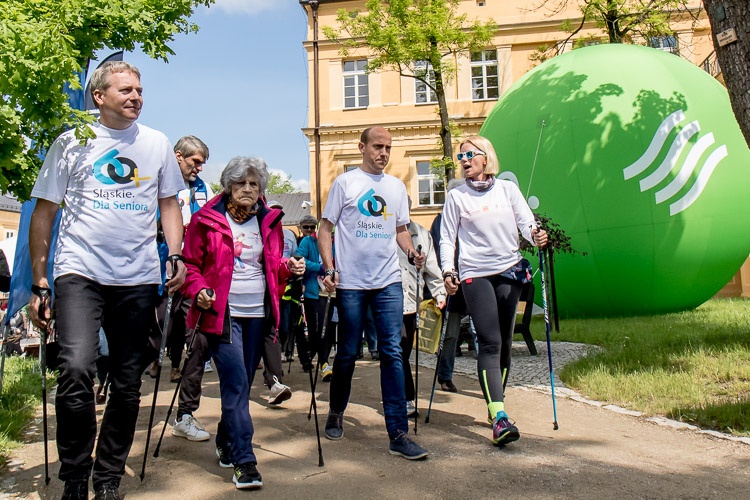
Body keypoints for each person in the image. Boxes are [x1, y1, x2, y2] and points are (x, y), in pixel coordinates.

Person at [28, 60, 187, 500]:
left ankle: (108, 476)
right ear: (99, 96)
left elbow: (169, 206)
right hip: (79, 271)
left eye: (139, 90)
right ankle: (75, 475)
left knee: (127, 380)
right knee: (76, 367)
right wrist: (40, 281)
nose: (136, 96)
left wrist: (175, 255)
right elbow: (44, 213)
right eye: (126, 90)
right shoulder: (71, 143)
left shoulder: (156, 143)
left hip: (137, 277)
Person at [181, 156, 305, 489]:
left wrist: (288, 268)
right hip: (222, 315)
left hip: (258, 315)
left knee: (243, 384)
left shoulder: (268, 220)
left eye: (254, 183)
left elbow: (271, 265)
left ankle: (225, 439)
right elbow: (190, 265)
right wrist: (199, 289)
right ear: (228, 186)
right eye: (241, 183)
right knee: (235, 382)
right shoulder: (206, 219)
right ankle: (245, 461)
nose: (248, 189)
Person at [319, 126, 429, 460]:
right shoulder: (345, 183)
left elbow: (400, 229)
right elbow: (325, 228)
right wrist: (329, 268)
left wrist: (411, 252)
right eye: (378, 146)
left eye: (388, 148)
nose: (383, 153)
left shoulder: (395, 187)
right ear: (362, 147)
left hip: (388, 281)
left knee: (393, 352)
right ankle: (336, 410)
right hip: (351, 283)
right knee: (348, 351)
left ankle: (398, 432)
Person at [440, 135, 547, 447]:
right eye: (461, 157)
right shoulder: (456, 197)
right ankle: (500, 416)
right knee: (489, 342)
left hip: (509, 270)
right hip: (475, 274)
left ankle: (494, 404)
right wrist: (448, 270)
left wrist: (536, 235)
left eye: (470, 155)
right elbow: (447, 238)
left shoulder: (507, 190)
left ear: (485, 157)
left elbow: (526, 223)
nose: (464, 161)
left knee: (504, 344)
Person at [164, 135, 219, 442]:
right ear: (178, 156)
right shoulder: (160, 182)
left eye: (202, 163)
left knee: (198, 344)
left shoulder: (204, 190)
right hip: (156, 274)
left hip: (191, 276)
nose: (199, 168)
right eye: (195, 161)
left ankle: (184, 414)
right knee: (145, 343)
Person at [398, 200, 445, 418]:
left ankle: (400, 394)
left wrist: (439, 293)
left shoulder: (422, 234)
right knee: (396, 350)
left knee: (404, 351)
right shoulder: (382, 232)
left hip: (411, 303)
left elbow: (432, 269)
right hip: (387, 300)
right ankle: (404, 397)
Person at [428, 178, 466, 393]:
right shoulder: (441, 220)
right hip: (452, 283)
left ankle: (492, 378)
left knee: (484, 333)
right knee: (450, 333)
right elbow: (436, 251)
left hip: (475, 280)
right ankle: (445, 375)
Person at [295, 214, 336, 381]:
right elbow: (299, 259)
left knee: (329, 327)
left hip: (331, 291)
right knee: (315, 329)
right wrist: (320, 268)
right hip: (314, 292)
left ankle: (323, 362)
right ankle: (314, 357)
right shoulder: (308, 241)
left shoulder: (336, 241)